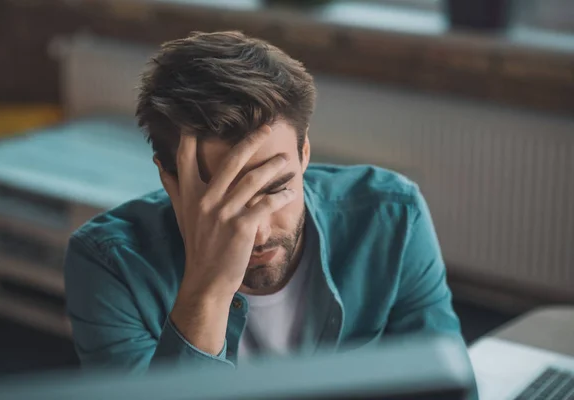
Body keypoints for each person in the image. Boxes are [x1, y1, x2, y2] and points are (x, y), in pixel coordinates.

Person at [64, 31, 469, 372]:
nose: (255, 233)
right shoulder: (107, 264)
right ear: (169, 179)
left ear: (305, 152)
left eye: (275, 189)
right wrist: (207, 291)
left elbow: (445, 383)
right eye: (224, 203)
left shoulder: (393, 217)